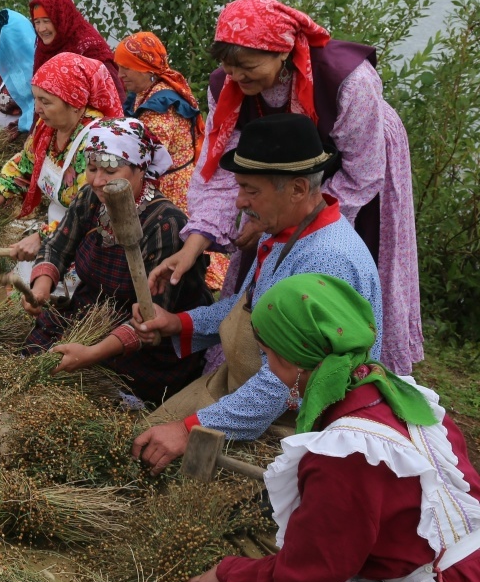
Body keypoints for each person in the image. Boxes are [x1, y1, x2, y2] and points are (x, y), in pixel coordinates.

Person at [186, 273, 480, 582]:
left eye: (268, 355)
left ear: (293, 362)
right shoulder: (403, 395)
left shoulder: (346, 453)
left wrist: (227, 571)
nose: (269, 368)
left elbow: (304, 575)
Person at [154, 0, 422, 376]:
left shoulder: (349, 82)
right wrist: (193, 245)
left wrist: (282, 225)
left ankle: (348, 371)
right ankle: (255, 361)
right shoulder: (227, 88)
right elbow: (221, 175)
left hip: (354, 171)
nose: (237, 77)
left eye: (247, 66)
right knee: (262, 260)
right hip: (274, 181)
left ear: (282, 52)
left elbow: (362, 173)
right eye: (229, 67)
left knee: (336, 265)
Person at [130, 114, 384, 474]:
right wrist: (177, 323)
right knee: (138, 444)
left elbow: (284, 382)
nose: (238, 202)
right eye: (239, 187)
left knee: (179, 487)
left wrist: (189, 431)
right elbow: (248, 304)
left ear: (297, 189)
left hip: (295, 420)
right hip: (240, 387)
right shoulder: (282, 227)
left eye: (251, 190)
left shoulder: (327, 261)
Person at [22, 118, 210, 405]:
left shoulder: (166, 225)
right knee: (37, 358)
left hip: (146, 343)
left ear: (140, 169)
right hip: (92, 311)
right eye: (92, 169)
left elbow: (152, 320)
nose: (97, 181)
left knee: (92, 389)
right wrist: (41, 288)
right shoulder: (91, 198)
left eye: (110, 171)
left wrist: (92, 353)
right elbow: (57, 247)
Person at [0, 52, 125, 262]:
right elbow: (23, 167)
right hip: (54, 227)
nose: (38, 109)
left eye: (46, 101)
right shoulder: (47, 129)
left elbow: (95, 211)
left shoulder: (97, 141)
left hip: (89, 245)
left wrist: (43, 237)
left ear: (75, 103)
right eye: (35, 98)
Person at [114, 31, 204, 211]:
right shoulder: (148, 90)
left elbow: (146, 156)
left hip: (171, 194)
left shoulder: (160, 107)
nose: (119, 74)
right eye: (118, 67)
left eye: (126, 68)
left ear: (145, 68)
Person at [28, 0, 123, 99]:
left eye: (47, 21)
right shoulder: (44, 49)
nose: (41, 29)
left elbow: (116, 96)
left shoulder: (88, 48)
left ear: (61, 19)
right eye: (37, 22)